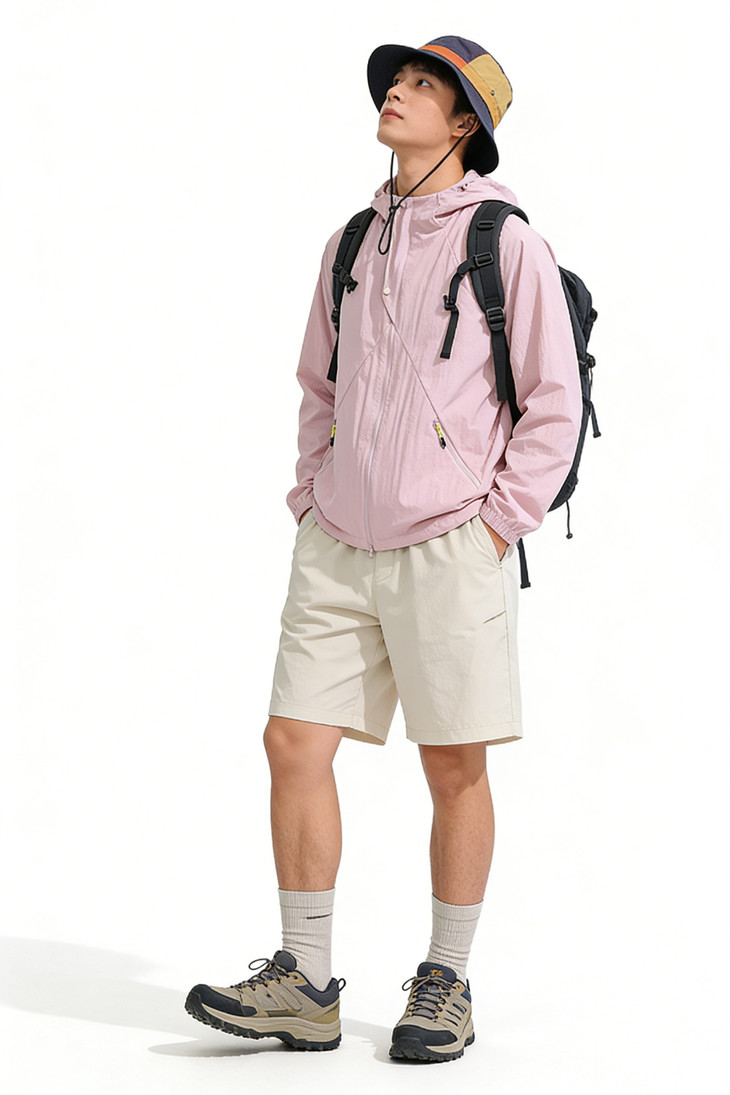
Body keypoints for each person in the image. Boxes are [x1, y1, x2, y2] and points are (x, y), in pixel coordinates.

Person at [185, 35, 582, 1064]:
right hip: (336, 540)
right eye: (397, 80)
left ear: (465, 124)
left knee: (452, 764)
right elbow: (317, 384)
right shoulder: (351, 241)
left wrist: (494, 523)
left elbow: (553, 403)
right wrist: (311, 494)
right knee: (291, 742)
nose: (396, 92)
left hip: (451, 544)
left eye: (422, 85)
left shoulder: (507, 243)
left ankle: (445, 979)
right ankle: (305, 980)